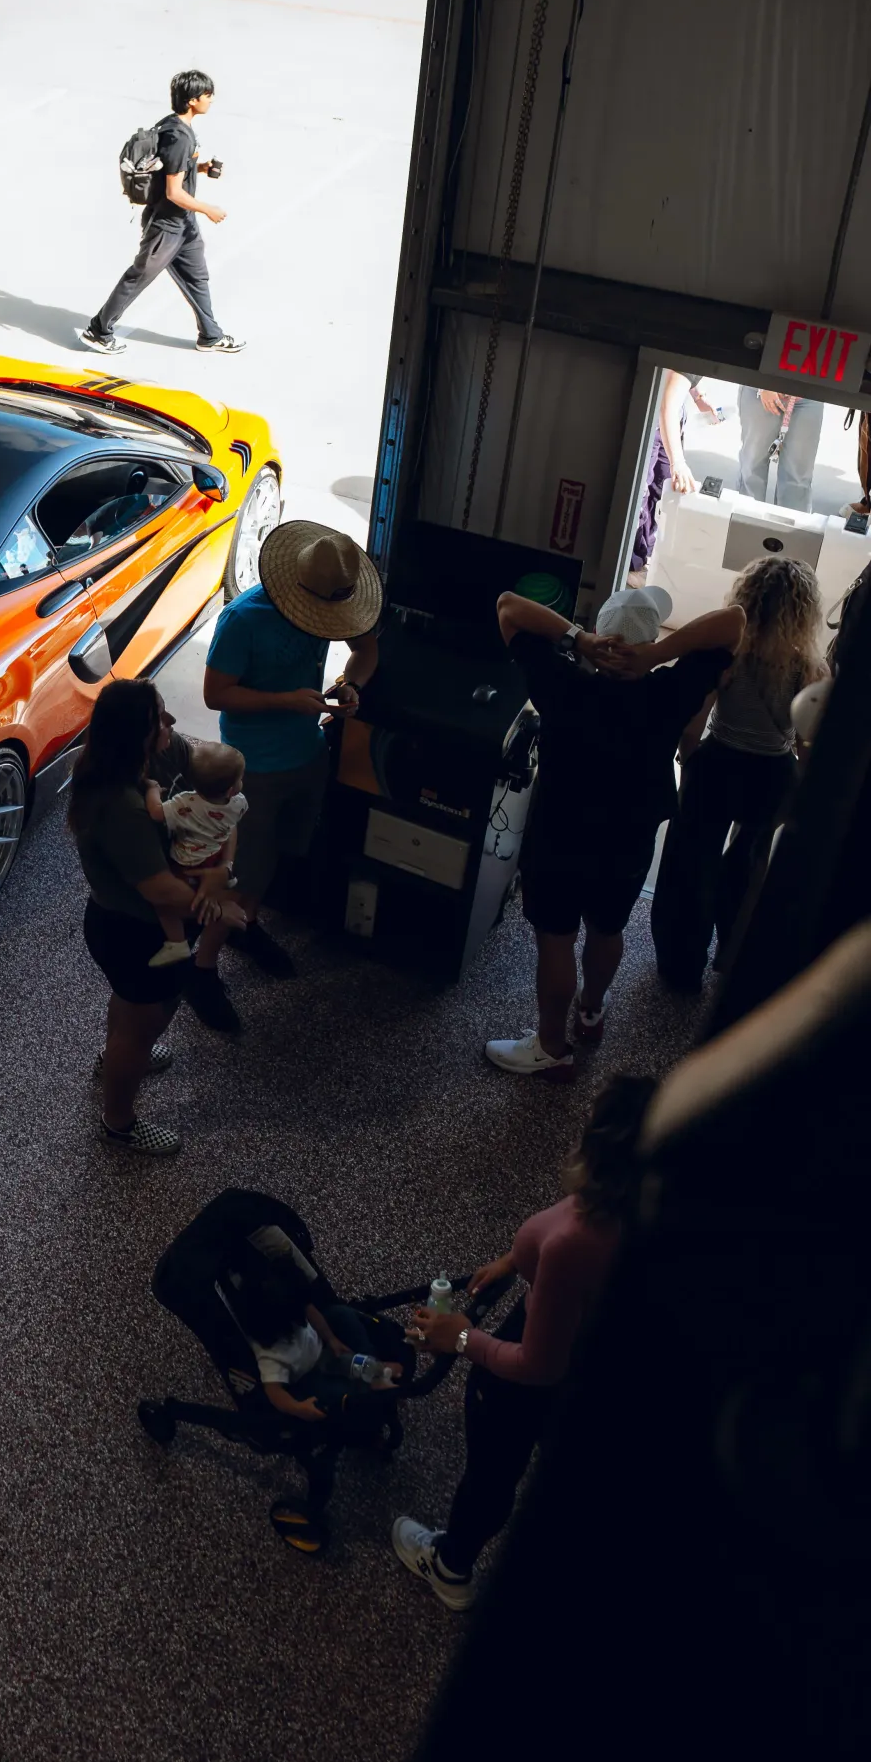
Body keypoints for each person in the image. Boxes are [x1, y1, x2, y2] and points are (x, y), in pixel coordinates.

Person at [393, 1070, 646, 1607]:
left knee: (492, 1471)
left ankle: (450, 1567)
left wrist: (462, 1338)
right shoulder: (648, 1210)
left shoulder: (578, 1237)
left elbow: (538, 1365)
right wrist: (518, 1261)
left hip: (536, 1372)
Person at [482, 584, 735, 1078]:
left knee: (555, 937)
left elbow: (507, 605)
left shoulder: (560, 682)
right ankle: (591, 1010)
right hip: (630, 834)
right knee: (608, 925)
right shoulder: (671, 689)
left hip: (561, 832)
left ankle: (551, 1047)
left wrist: (578, 640)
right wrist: (657, 656)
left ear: (601, 635)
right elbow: (736, 621)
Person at [69, 678, 245, 1156]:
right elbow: (161, 890)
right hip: (134, 932)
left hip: (138, 926)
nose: (171, 723)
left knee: (131, 1012)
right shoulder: (120, 805)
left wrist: (220, 868)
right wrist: (219, 901)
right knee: (145, 1021)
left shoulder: (149, 755)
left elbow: (215, 782)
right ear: (135, 737)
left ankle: (118, 1054)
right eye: (159, 719)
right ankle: (119, 1124)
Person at [202, 521, 381, 975]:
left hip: (308, 754)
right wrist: (284, 701)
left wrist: (348, 683)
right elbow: (216, 694)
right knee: (242, 869)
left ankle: (249, 923)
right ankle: (201, 969)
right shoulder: (243, 619)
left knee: (278, 853)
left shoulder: (333, 599)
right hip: (255, 767)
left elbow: (366, 649)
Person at [642, 554, 826, 986]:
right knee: (749, 865)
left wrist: (690, 766)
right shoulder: (809, 669)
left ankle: (681, 965)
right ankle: (732, 955)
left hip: (719, 765)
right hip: (772, 776)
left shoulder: (728, 657)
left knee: (691, 864)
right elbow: (804, 745)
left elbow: (694, 724)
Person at [78, 68, 244, 356]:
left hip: (183, 223)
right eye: (207, 95)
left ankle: (210, 335)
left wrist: (202, 168)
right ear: (193, 100)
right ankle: (98, 331)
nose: (212, 100)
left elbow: (171, 168)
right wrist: (208, 209)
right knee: (138, 277)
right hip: (166, 226)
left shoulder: (173, 126)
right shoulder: (180, 137)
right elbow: (173, 192)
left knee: (197, 277)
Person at [238, 1244, 405, 1424]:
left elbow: (311, 1311)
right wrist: (297, 1408)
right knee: (335, 1393)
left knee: (342, 1319)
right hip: (307, 1379)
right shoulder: (271, 1356)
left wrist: (331, 1339)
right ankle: (368, 1387)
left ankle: (375, 1368)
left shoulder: (292, 1304)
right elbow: (274, 1391)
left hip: (323, 1352)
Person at [146, 742, 248, 966]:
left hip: (186, 860)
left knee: (163, 906)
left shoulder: (186, 803)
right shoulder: (239, 803)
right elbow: (230, 825)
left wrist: (152, 790)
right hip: (215, 853)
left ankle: (177, 942)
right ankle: (221, 888)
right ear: (231, 790)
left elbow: (155, 813)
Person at [628, 369, 718, 580]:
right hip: (655, 418)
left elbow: (681, 378)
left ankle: (643, 556)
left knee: (660, 489)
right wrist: (678, 462)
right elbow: (666, 407)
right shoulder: (699, 349)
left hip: (668, 417)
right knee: (640, 495)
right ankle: (629, 566)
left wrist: (698, 397)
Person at [737, 385, 823, 516]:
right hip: (761, 390)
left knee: (797, 477)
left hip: (809, 395)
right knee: (752, 468)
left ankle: (790, 531)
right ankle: (745, 521)